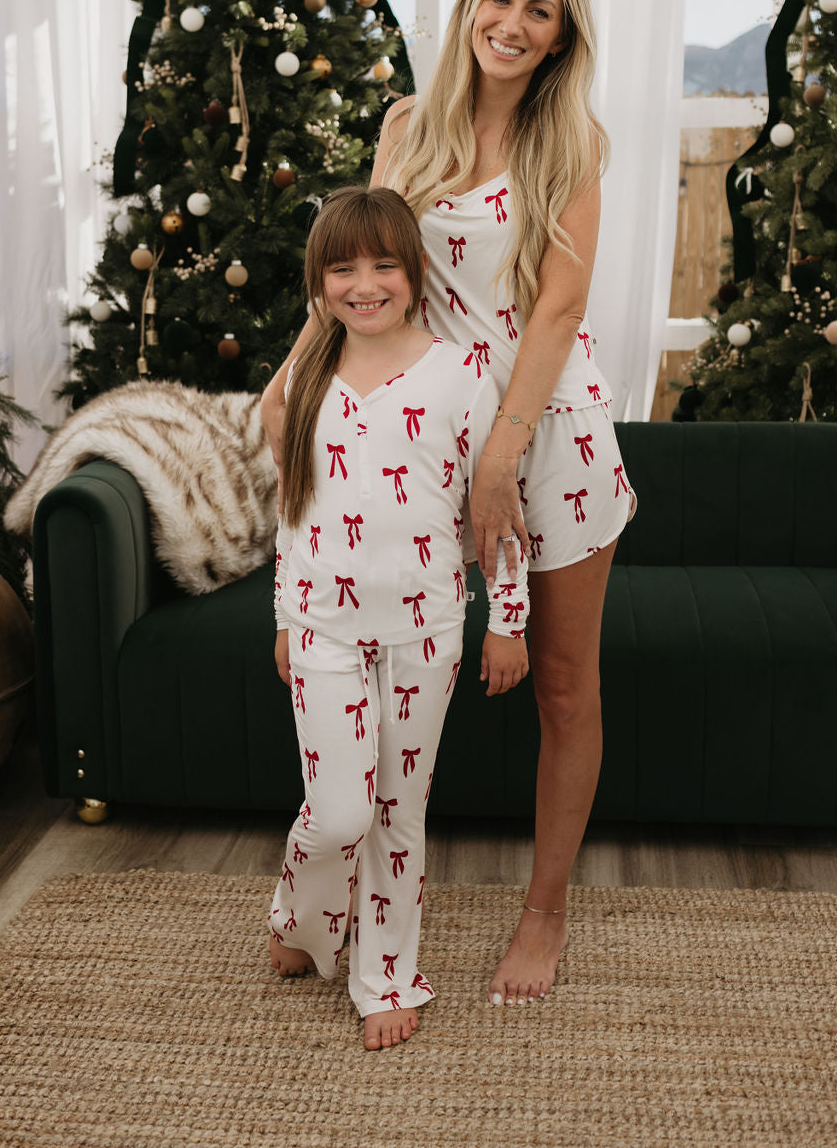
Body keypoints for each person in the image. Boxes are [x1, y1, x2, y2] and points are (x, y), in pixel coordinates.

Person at [374, 0, 634, 1007]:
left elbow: (559, 307)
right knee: (396, 664)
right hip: (424, 432)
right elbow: (361, 266)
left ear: (562, 35)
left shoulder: (572, 141)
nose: (512, 23)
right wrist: (297, 377)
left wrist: (502, 454)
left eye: (540, 10)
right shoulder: (406, 125)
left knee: (565, 686)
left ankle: (545, 910)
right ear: (472, 1)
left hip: (548, 429)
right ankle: (352, 887)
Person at [266, 185, 529, 1051]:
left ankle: (385, 976)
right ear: (319, 281)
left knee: (398, 807)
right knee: (339, 810)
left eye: (383, 264)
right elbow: (293, 510)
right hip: (322, 626)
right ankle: (301, 913)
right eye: (342, 267)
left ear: (415, 275)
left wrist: (509, 618)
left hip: (427, 628)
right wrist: (283, 615)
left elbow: (497, 507)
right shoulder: (305, 377)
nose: (364, 283)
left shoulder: (459, 374)